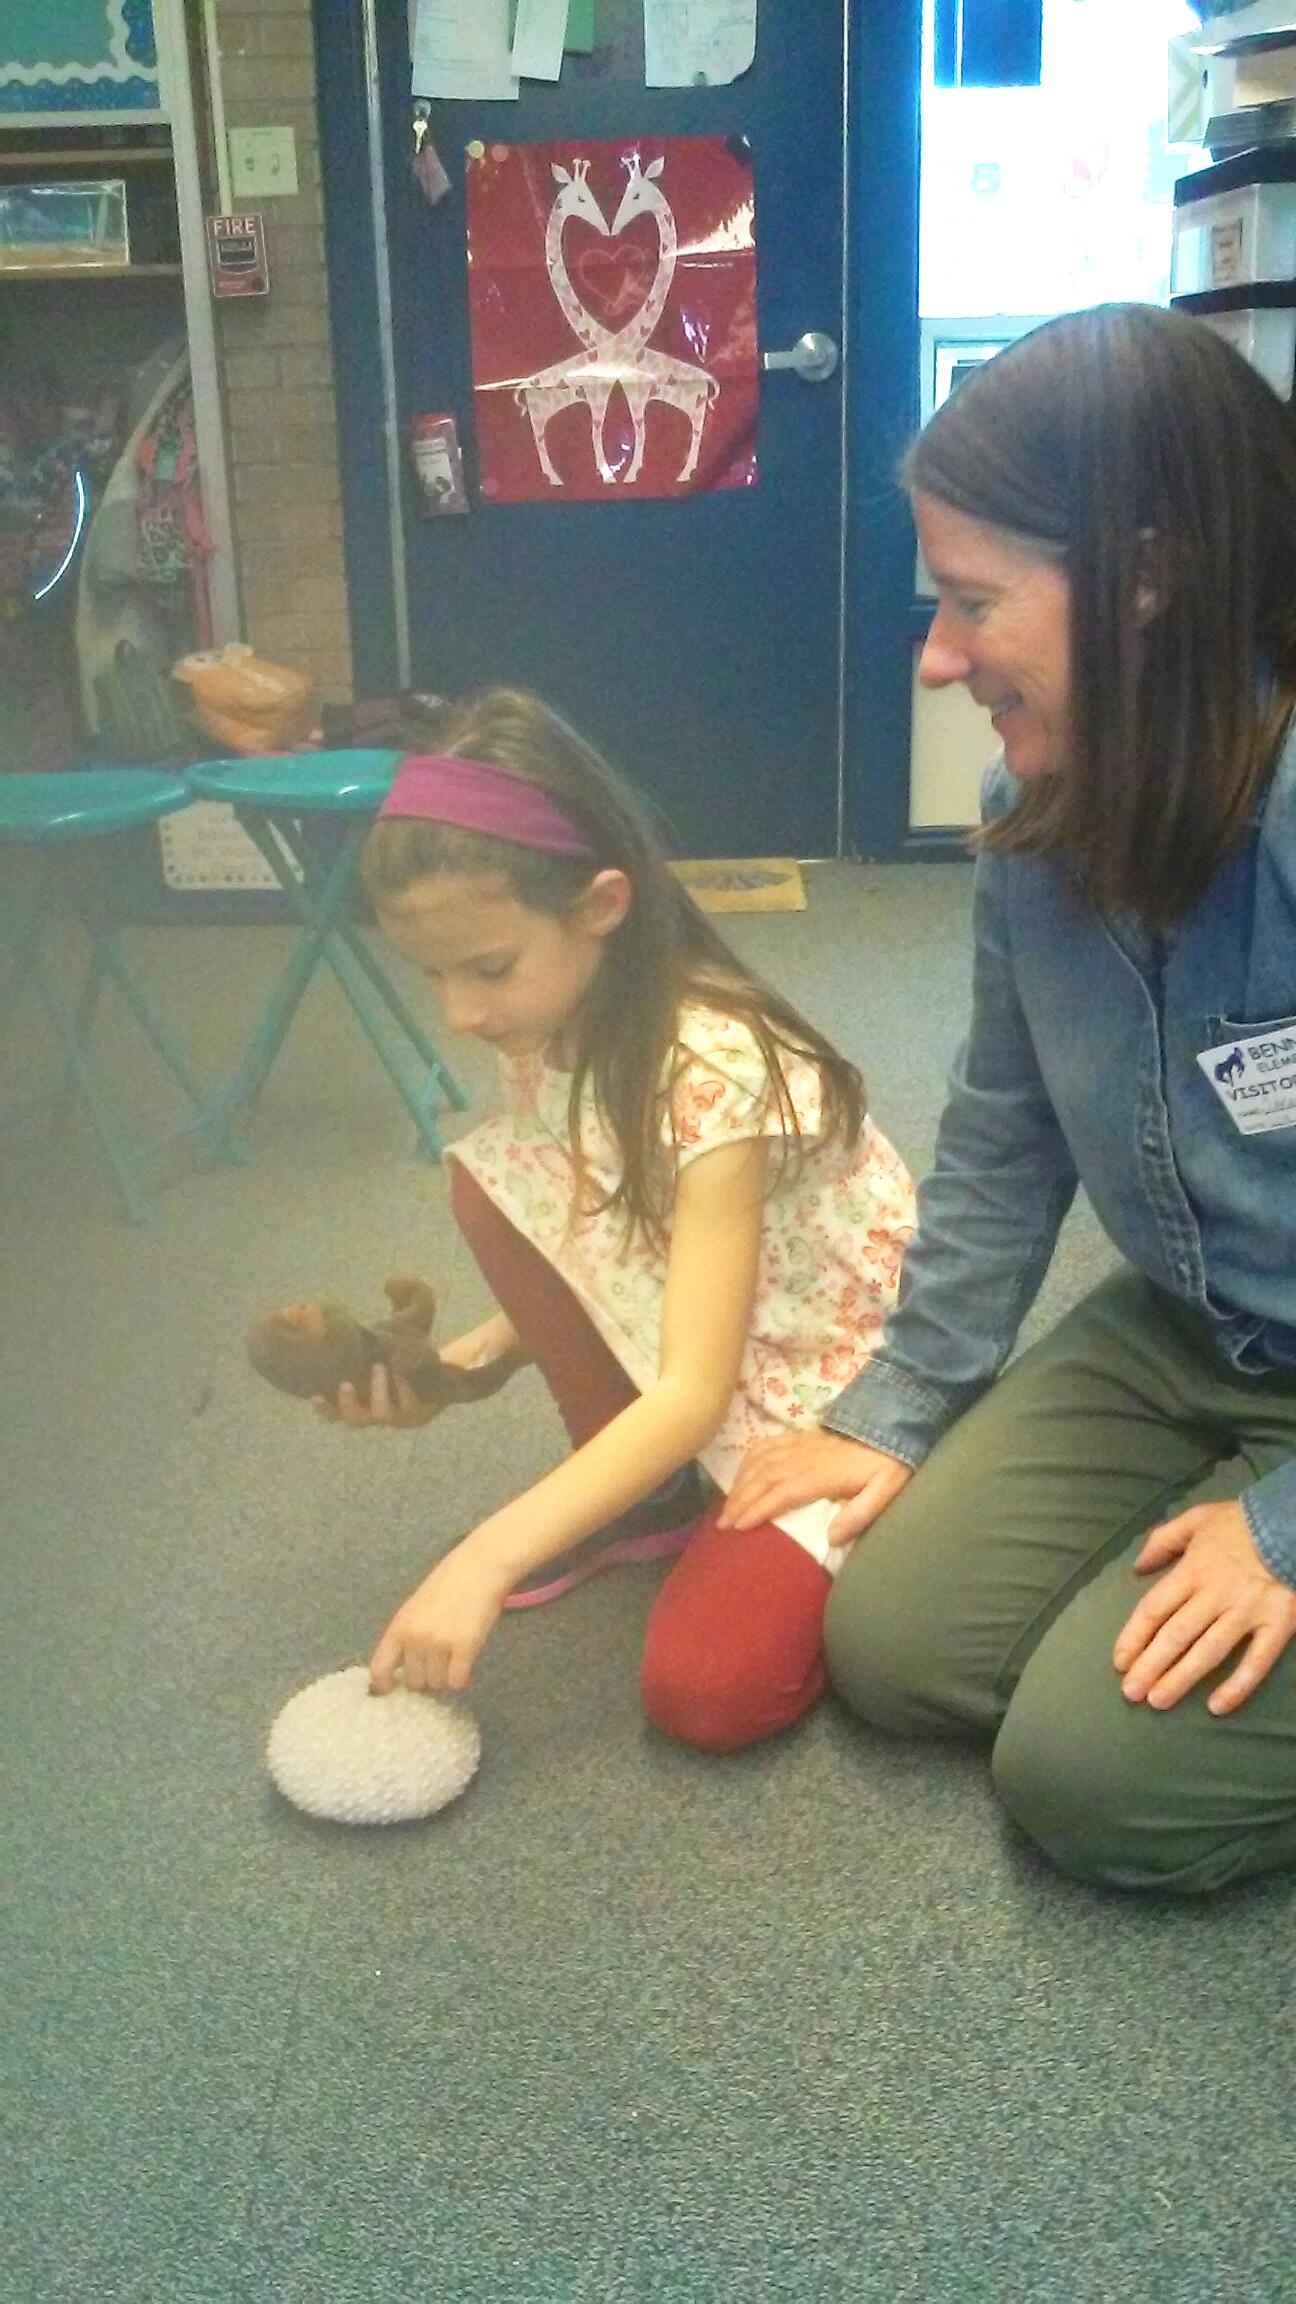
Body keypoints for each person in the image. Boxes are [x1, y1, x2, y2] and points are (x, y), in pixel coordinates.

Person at [722, 303, 1296, 1889]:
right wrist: (902, 1408)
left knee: (1094, 1781)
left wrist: (1288, 1537)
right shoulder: (1029, 816)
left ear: (1149, 584)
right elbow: (1003, 1131)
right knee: (894, 1648)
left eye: (974, 604)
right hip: (1196, 1323)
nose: (936, 658)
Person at [321, 686, 915, 1752]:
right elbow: (589, 1203)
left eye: (488, 967)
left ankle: (789, 1507)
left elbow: (694, 1392)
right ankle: (643, 1502)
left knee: (710, 1691)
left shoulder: (716, 1066)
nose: (459, 1013)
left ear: (601, 903)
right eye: (432, 976)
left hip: (815, 1374)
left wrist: (483, 1556)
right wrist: (475, 1363)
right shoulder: (555, 1011)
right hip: (703, 1311)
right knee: (489, 1184)